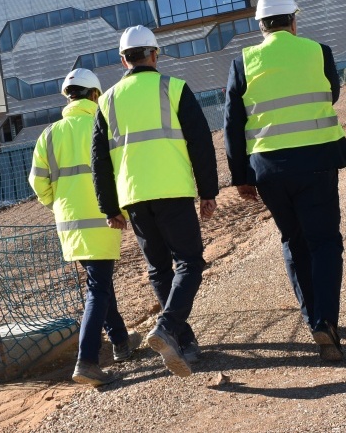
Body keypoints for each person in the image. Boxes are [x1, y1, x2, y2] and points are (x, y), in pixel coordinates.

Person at [223, 0, 346, 361]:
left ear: (261, 25)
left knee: (293, 240)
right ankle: (326, 319)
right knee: (325, 242)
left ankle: (313, 317)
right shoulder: (318, 52)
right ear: (294, 20)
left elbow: (232, 125)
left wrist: (240, 176)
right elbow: (330, 94)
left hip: (269, 168)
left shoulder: (243, 63)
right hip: (317, 160)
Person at [92, 25, 219, 377]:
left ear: (122, 60)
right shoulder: (174, 88)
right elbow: (201, 144)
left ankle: (185, 343)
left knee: (159, 270)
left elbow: (99, 160)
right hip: (173, 190)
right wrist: (208, 191)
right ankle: (167, 326)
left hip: (134, 196)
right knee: (190, 263)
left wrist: (109, 207)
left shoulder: (107, 101)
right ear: (154, 54)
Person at [30, 68, 140, 386]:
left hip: (70, 224)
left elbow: (38, 182)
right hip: (103, 218)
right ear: (95, 95)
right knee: (98, 287)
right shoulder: (102, 124)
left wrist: (58, 205)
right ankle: (87, 360)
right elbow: (122, 170)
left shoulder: (49, 134)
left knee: (99, 280)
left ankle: (120, 341)